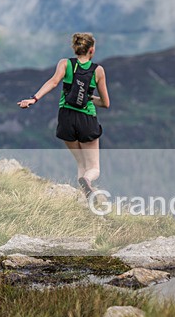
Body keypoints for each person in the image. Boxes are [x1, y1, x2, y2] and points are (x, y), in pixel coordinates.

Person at [18, 33, 110, 197]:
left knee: (80, 162)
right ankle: (87, 181)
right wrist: (89, 97)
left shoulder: (65, 64)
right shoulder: (98, 71)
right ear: (91, 50)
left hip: (66, 117)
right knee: (93, 168)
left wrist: (34, 99)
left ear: (75, 48)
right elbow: (106, 103)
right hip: (87, 119)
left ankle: (83, 195)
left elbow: (53, 82)